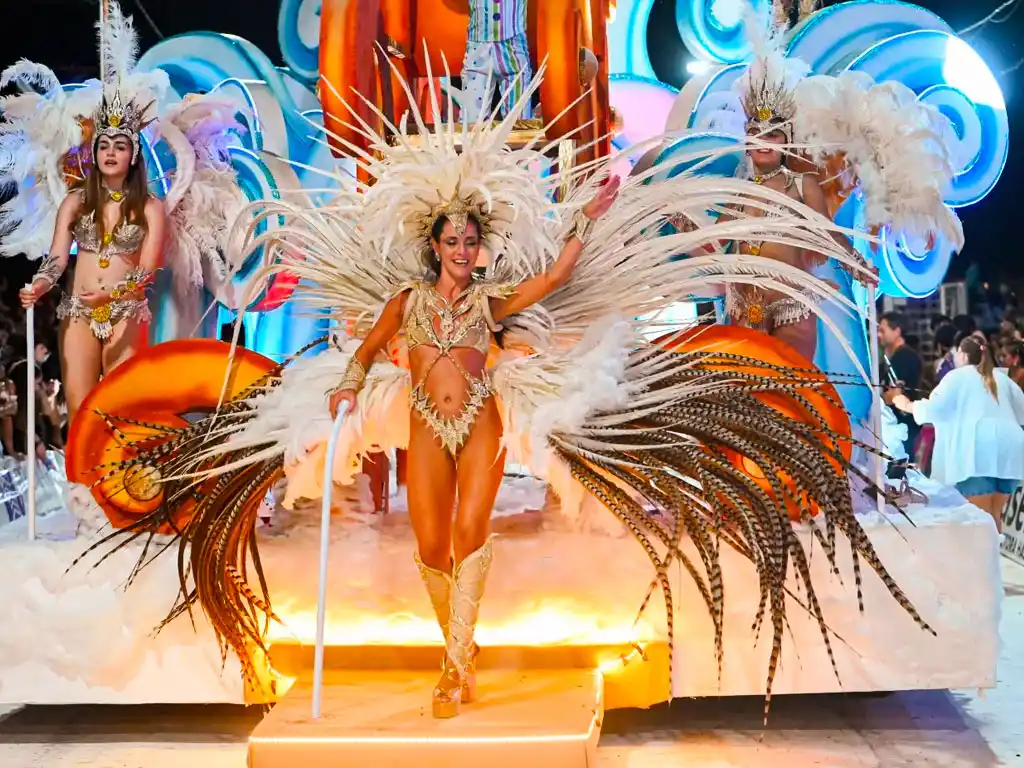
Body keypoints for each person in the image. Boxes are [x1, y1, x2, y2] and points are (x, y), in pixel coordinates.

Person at [74, 65, 932, 725]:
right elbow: (364, 352)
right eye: (449, 239)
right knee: (432, 544)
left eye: (468, 239)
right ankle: (454, 642)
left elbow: (553, 278)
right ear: (433, 244)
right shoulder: (406, 301)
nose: (459, 249)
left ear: (478, 246)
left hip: (478, 424)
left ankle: (459, 661)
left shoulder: (492, 301)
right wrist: (344, 391)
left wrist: (588, 219)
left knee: (470, 536)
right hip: (424, 421)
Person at [19, 88, 166, 422]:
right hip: (79, 312)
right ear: (95, 152)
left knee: (122, 412)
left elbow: (147, 270)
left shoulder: (150, 208)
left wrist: (111, 295)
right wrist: (40, 285)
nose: (110, 152)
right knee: (81, 414)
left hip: (125, 313)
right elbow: (57, 258)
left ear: (134, 154)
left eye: (120, 145)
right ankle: (79, 461)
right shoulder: (75, 202)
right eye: (103, 145)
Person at [890, 335, 1024, 533]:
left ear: (962, 355)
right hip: (1010, 453)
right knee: (994, 516)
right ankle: (993, 552)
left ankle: (984, 554)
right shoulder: (1004, 380)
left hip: (977, 453)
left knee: (981, 520)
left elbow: (934, 409)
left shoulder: (957, 377)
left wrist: (906, 404)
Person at [879, 311, 923, 458]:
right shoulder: (890, 358)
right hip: (895, 426)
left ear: (897, 331)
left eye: (882, 330)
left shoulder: (905, 357)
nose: (878, 335)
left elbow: (894, 396)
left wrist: (881, 397)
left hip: (904, 427)